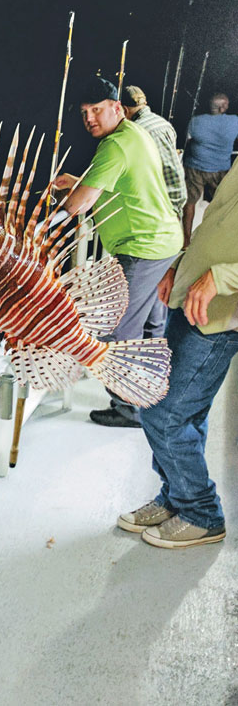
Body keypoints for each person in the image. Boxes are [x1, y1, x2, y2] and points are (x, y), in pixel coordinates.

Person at [116, 156, 238, 548]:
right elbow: (217, 222)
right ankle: (176, 497)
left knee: (162, 412)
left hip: (220, 314)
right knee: (189, 413)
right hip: (192, 298)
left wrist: (220, 276)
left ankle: (202, 513)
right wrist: (182, 266)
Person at [53, 76, 183, 427]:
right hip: (165, 241)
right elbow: (121, 181)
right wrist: (80, 181)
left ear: (116, 108)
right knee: (153, 323)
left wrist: (46, 216)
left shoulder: (114, 146)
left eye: (96, 110)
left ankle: (129, 409)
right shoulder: (134, 134)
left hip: (142, 249)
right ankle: (153, 391)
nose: (90, 119)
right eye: (84, 113)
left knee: (118, 330)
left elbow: (78, 206)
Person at [120, 84, 187, 220]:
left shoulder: (137, 131)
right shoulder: (163, 123)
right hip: (177, 198)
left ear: (124, 110)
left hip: (160, 205)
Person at [182, 92, 238, 248]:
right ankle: (213, 237)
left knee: (190, 203)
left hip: (195, 168)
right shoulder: (234, 122)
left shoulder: (196, 121)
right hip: (220, 170)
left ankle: (186, 241)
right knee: (219, 204)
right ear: (222, 108)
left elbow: (188, 142)